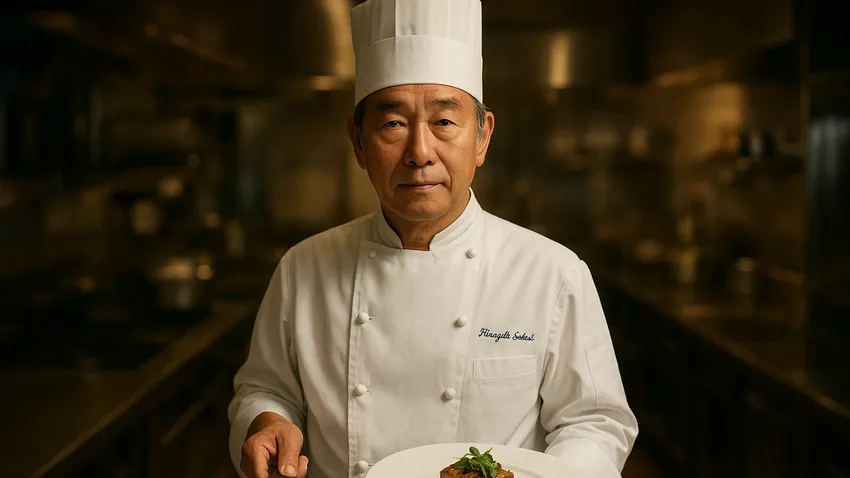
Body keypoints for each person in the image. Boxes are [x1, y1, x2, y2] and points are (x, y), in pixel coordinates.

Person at [227, 0, 638, 477]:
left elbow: (594, 422)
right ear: (358, 142)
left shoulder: (553, 273)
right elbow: (266, 388)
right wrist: (268, 420)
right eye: (393, 123)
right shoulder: (304, 267)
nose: (420, 153)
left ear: (482, 137)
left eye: (444, 122)